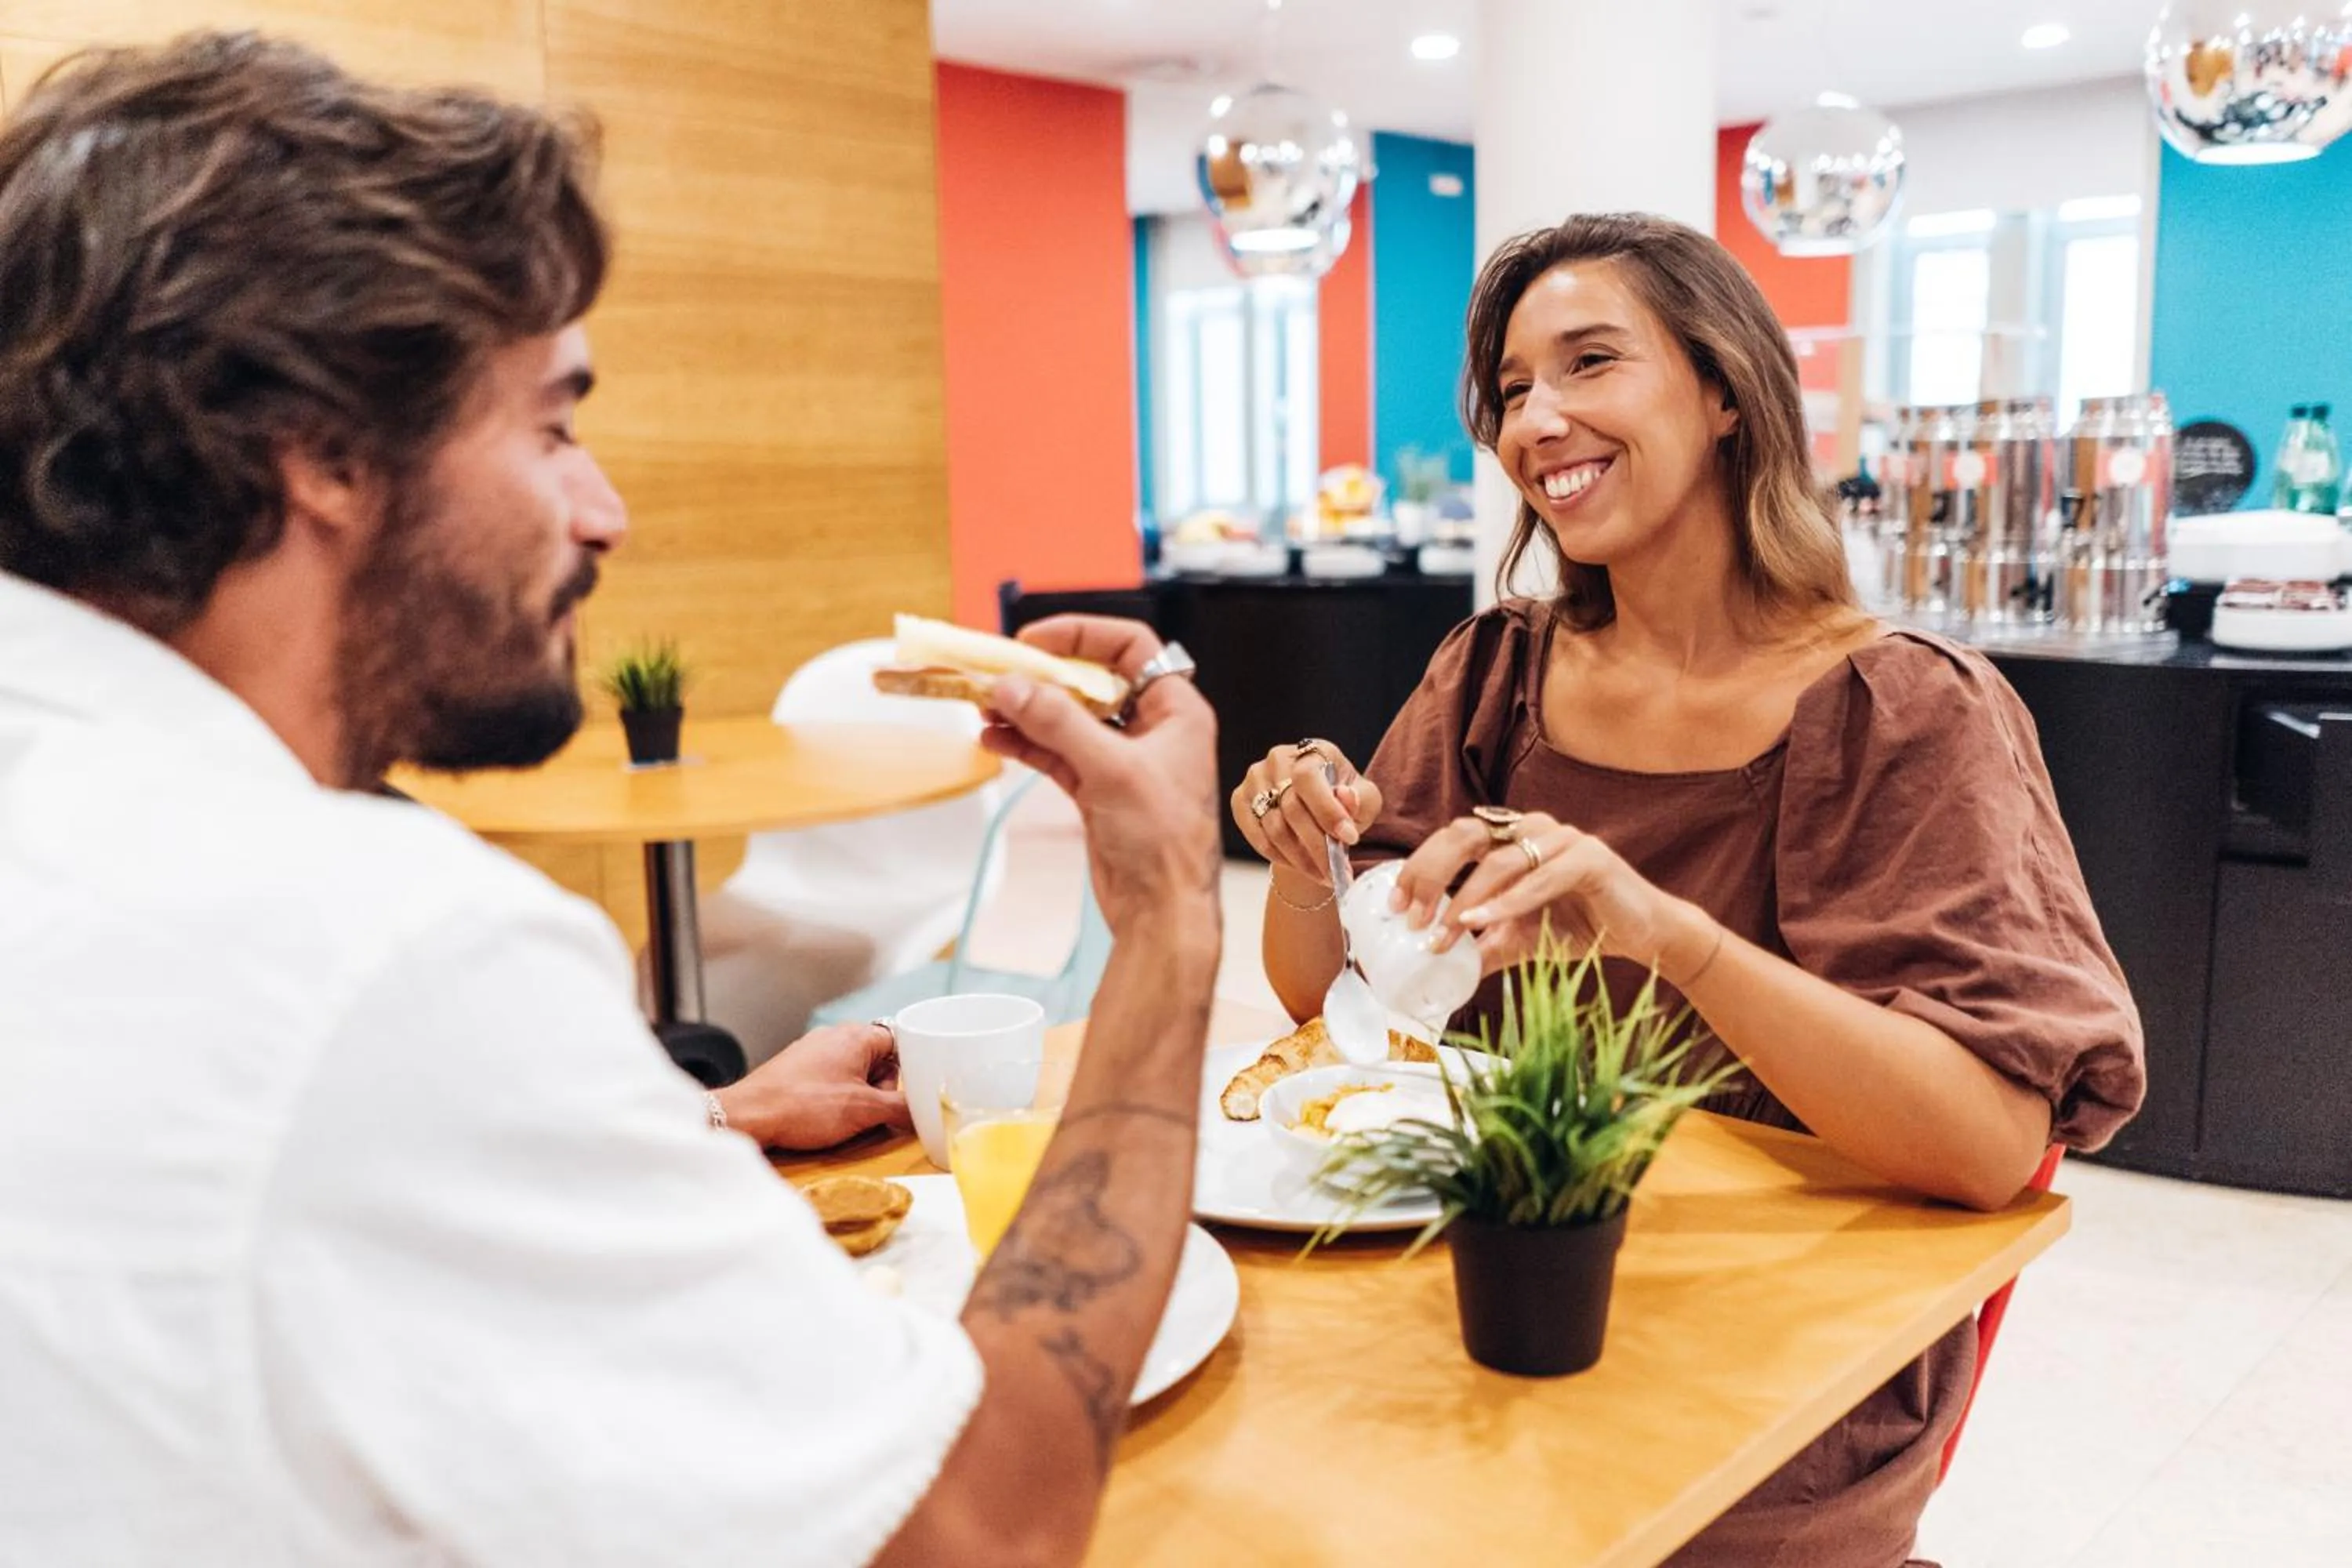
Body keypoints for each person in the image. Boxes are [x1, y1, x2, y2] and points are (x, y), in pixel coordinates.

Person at [0, 32, 1223, 1566]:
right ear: (316, 449)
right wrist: (1172, 908)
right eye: (552, 424)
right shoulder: (375, 948)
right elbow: (981, 1524)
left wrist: (699, 1115)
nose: (604, 510)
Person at [1231, 212, 2147, 1566]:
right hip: (1493, 1280)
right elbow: (1334, 1004)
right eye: (1514, 390)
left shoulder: (1904, 711)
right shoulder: (1494, 674)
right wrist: (1305, 857)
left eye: (1590, 362)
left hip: (1777, 1357)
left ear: (1725, 390)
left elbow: (1989, 1145)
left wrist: (1668, 936)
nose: (1538, 420)